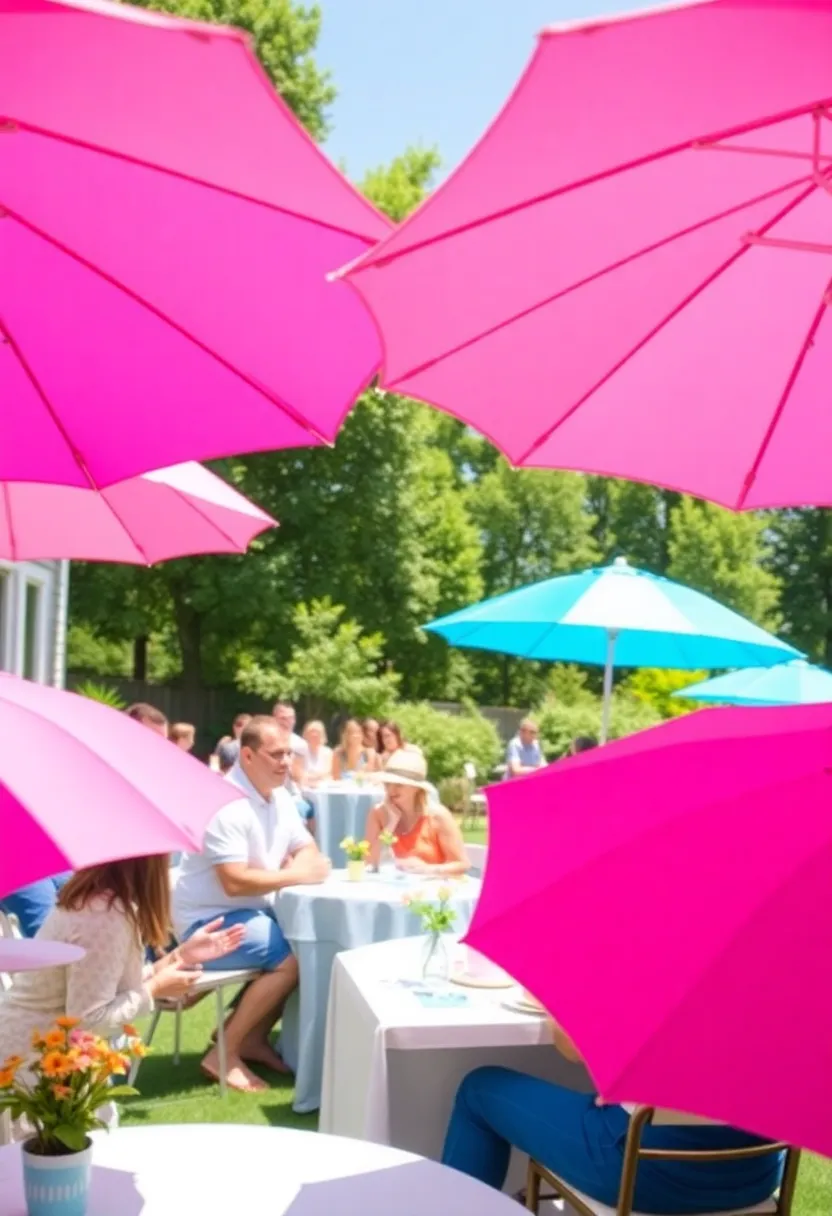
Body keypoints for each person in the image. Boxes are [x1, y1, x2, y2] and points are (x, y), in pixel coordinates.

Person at [441, 1022, 783, 1211]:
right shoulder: (799, 988)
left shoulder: (666, 963)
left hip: (644, 1173)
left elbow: (573, 1045)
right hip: (753, 1177)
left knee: (479, 1090)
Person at [173, 715, 331, 1093]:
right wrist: (297, 875)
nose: (285, 762)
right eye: (276, 754)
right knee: (292, 961)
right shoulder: (225, 805)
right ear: (246, 755)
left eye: (289, 754)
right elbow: (235, 881)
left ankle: (252, 1038)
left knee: (304, 947)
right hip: (207, 925)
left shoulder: (280, 798)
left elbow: (308, 849)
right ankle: (224, 1052)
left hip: (250, 915)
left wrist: (303, 865)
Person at [0, 857, 244, 1071]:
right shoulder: (102, 915)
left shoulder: (107, 904)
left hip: (44, 1059)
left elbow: (110, 985)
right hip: (29, 1066)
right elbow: (89, 1020)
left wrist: (180, 956)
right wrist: (155, 988)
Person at [366, 750, 469, 876]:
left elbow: (462, 864)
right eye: (387, 784)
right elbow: (370, 863)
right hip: (388, 889)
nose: (391, 790)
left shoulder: (438, 816)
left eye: (399, 785)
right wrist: (391, 823)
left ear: (416, 788)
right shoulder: (378, 813)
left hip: (432, 890)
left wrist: (428, 870)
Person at [300, 720, 332, 787]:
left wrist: (311, 776)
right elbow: (298, 774)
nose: (314, 734)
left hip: (323, 787)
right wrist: (318, 776)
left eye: (318, 732)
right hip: (304, 788)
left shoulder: (328, 752)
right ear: (305, 735)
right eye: (311, 732)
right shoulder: (300, 751)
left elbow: (328, 772)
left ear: (323, 735)